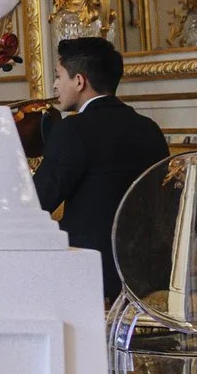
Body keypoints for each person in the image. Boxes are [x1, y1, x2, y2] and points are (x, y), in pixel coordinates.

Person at [32, 36, 169, 301]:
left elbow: (37, 203)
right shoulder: (150, 129)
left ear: (79, 81)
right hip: (149, 273)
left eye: (59, 76)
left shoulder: (72, 130)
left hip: (89, 274)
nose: (55, 85)